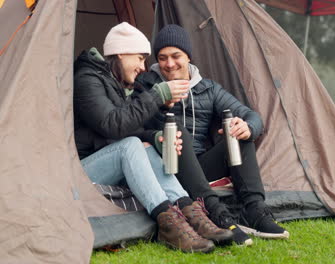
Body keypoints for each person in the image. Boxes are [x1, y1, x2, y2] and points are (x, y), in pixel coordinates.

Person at [73, 22, 232, 253]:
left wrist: (156, 137)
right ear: (120, 52)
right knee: (130, 146)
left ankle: (190, 212)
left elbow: (127, 128)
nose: (142, 66)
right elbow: (112, 125)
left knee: (144, 145)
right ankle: (168, 224)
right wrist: (157, 95)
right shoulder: (87, 79)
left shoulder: (114, 83)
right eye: (139, 58)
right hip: (81, 171)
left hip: (105, 161)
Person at [137, 24, 289, 245]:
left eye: (176, 56)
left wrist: (248, 127)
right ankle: (217, 214)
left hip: (200, 166)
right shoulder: (146, 85)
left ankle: (255, 210)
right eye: (162, 57)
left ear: (188, 56)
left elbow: (251, 115)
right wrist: (157, 129)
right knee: (176, 131)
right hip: (166, 166)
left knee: (236, 132)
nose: (169, 64)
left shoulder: (208, 89)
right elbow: (131, 126)